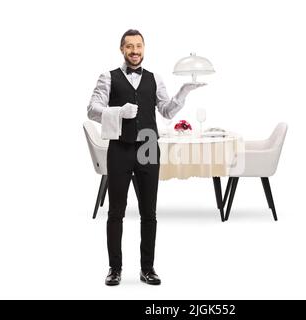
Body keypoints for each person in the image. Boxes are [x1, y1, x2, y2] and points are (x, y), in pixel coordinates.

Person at [87, 29, 205, 286]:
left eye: (139, 46)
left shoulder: (155, 79)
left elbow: (166, 111)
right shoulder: (108, 78)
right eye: (129, 46)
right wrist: (118, 112)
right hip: (120, 148)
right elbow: (92, 110)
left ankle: (147, 268)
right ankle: (114, 269)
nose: (135, 51)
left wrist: (183, 92)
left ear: (144, 48)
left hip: (149, 147)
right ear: (122, 49)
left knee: (149, 213)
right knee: (116, 212)